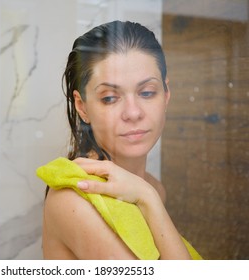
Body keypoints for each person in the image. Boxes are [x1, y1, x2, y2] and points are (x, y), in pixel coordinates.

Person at [42, 20, 193, 259]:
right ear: (82, 107)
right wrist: (148, 198)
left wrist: (148, 196)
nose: (133, 113)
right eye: (110, 98)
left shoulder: (152, 187)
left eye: (146, 93)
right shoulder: (74, 199)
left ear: (166, 94)